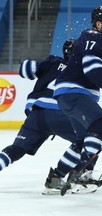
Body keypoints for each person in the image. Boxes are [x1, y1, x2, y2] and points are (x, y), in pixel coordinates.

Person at [44, 6, 102, 193]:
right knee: (99, 124)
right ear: (98, 24)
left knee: (82, 140)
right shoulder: (92, 36)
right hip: (73, 92)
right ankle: (82, 173)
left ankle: (55, 178)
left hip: (72, 95)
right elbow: (92, 69)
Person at [0, 39, 82, 182]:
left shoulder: (53, 61)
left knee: (16, 149)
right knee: (88, 140)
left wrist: (42, 65)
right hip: (60, 114)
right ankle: (70, 177)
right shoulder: (80, 72)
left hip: (36, 115)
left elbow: (24, 69)